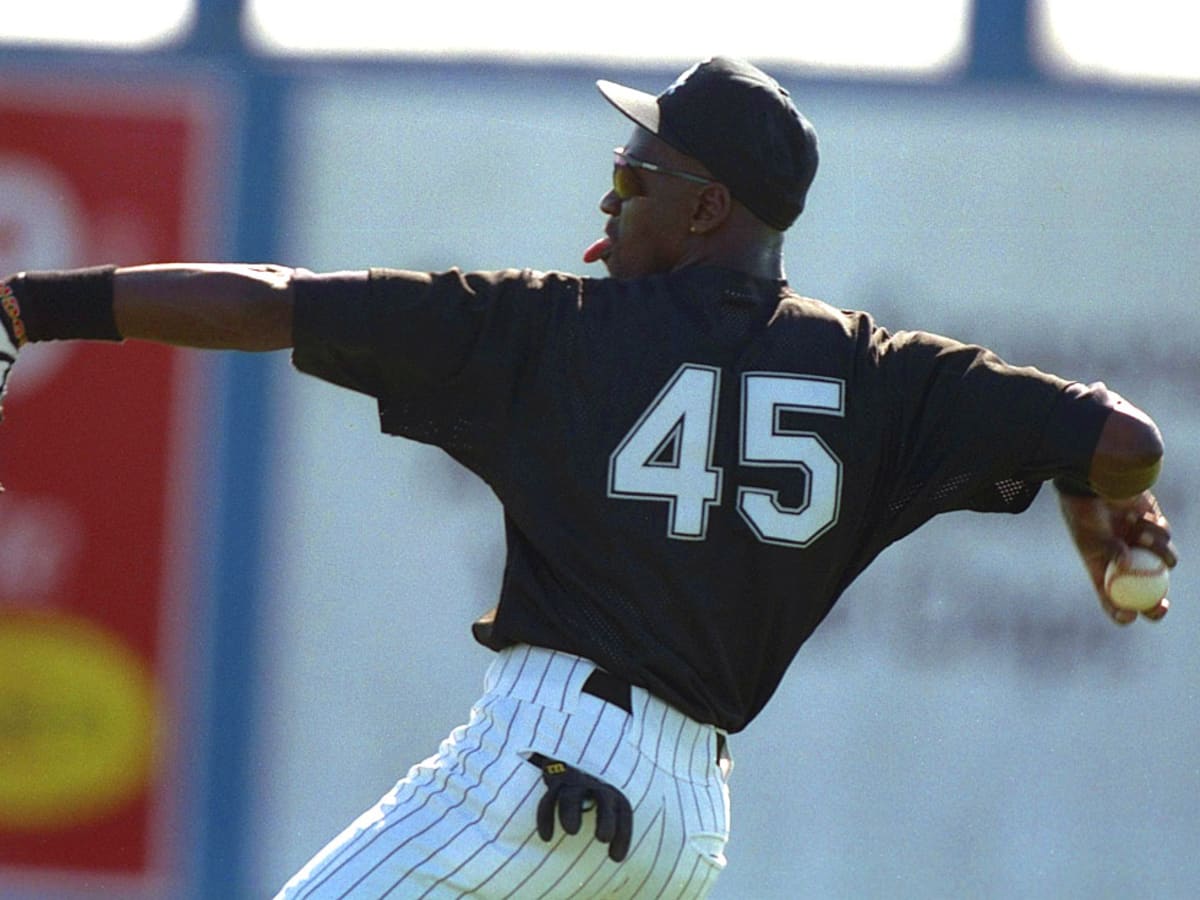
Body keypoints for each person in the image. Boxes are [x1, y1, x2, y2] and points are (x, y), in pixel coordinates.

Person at [0, 57, 1177, 899]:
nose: (612, 192)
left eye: (636, 169)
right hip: (680, 833)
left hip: (543, 773)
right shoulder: (882, 374)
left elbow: (270, 300)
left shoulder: (558, 331)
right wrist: (1101, 512)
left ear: (708, 206)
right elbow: (1120, 438)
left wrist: (28, 302)